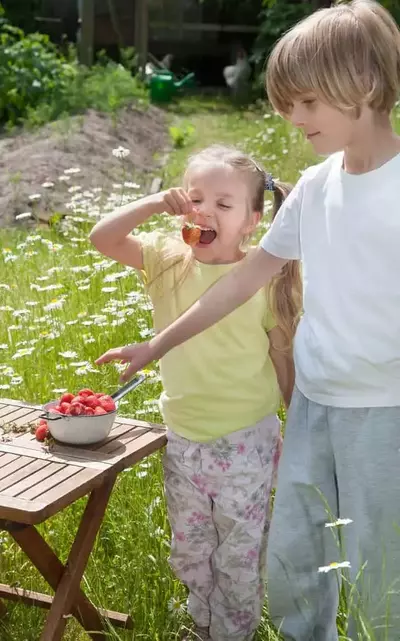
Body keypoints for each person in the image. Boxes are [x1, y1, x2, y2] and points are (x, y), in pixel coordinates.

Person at [94, 1, 400, 639]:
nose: (294, 118)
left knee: (380, 567)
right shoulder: (315, 187)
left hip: (385, 411)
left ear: (366, 84)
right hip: (315, 403)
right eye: (289, 103)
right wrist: (157, 345)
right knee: (294, 561)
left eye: (308, 102)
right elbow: (241, 282)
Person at [90, 144, 301, 641]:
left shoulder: (265, 279)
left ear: (252, 220)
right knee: (190, 550)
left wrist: (299, 428)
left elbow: (282, 359)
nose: (205, 211)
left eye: (223, 205)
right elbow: (103, 237)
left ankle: (233, 632)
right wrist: (154, 204)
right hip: (182, 438)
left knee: (239, 554)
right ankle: (203, 622)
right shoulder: (168, 260)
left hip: (246, 441)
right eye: (196, 198)